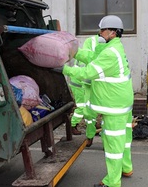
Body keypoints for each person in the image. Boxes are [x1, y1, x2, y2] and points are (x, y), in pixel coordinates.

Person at [56, 15, 134, 187]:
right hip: (122, 103)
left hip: (115, 106)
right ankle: (126, 168)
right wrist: (74, 52)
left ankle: (112, 182)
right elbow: (92, 57)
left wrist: (64, 70)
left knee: (113, 144)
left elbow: (87, 73)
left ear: (112, 32)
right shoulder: (112, 47)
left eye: (102, 30)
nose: (99, 32)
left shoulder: (110, 54)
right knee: (124, 139)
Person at [69, 34, 100, 136]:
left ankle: (87, 128)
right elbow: (88, 76)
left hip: (78, 83)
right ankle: (72, 125)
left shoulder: (85, 54)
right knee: (82, 107)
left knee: (85, 107)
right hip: (79, 84)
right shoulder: (90, 58)